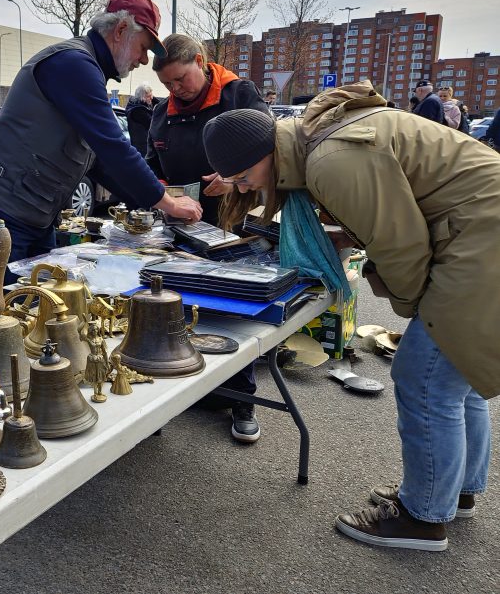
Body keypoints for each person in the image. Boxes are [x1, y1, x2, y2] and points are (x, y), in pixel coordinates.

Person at [201, 81, 500, 552]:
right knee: (455, 370)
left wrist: (418, 309)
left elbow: (402, 245)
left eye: (242, 177)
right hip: (478, 226)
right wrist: (349, 236)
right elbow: (398, 208)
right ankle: (452, 492)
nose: (242, 188)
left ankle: (422, 519)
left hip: (480, 236)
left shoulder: (330, 161)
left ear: (266, 152)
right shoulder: (316, 140)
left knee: (425, 376)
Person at [0, 0, 202, 287]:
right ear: (120, 32)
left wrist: (151, 203)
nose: (143, 60)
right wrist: (167, 202)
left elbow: (100, 160)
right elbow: (113, 146)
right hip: (5, 210)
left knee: (43, 308)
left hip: (32, 212)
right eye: (143, 48)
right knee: (2, 315)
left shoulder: (85, 67)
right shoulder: (73, 64)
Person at [147, 33, 271, 443]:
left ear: (200, 62)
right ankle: (173, 390)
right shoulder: (162, 114)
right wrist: (164, 194)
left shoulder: (238, 93)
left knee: (233, 313)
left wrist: (233, 177)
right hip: (181, 227)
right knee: (175, 308)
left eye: (180, 79)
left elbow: (270, 148)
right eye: (167, 84)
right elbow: (150, 166)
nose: (175, 89)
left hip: (234, 226)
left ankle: (242, 399)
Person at [124, 83, 156, 156]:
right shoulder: (138, 111)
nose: (151, 98)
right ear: (142, 97)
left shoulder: (136, 105)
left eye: (152, 95)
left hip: (141, 145)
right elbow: (153, 124)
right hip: (142, 147)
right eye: (149, 96)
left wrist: (151, 97)